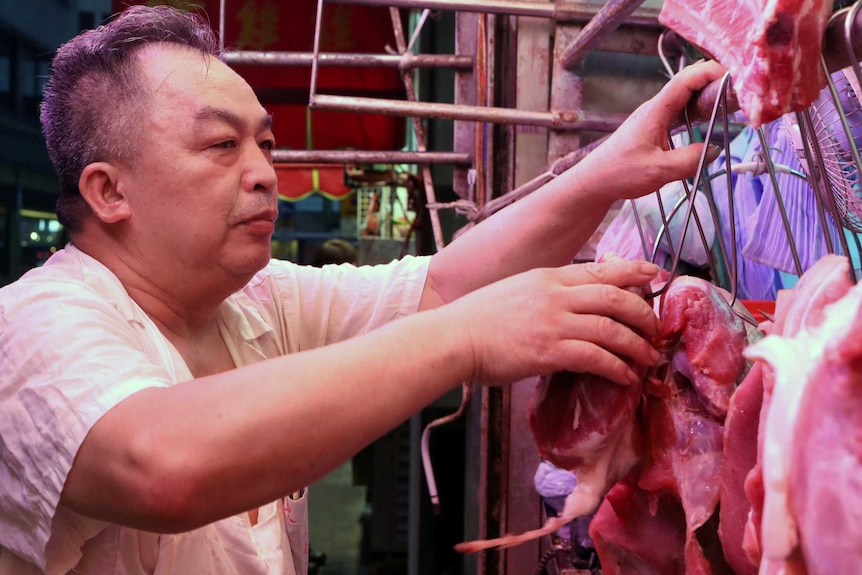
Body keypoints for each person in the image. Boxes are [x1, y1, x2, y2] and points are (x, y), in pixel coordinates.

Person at [0, 5, 725, 575]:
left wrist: (607, 172)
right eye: (223, 145)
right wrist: (468, 337)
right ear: (108, 190)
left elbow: (445, 283)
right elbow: (159, 462)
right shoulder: (38, 323)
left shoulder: (253, 303)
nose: (260, 173)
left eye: (266, 145)